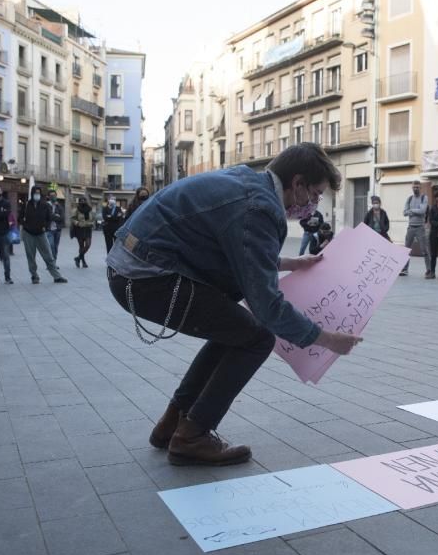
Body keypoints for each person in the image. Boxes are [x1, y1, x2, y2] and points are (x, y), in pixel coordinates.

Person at [107, 142, 363, 466]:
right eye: (314, 194)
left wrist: (289, 263)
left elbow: (237, 247)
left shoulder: (247, 184)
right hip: (146, 275)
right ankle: (192, 435)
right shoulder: (261, 208)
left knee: (235, 330)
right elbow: (268, 307)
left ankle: (173, 423)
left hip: (134, 266)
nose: (313, 205)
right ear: (296, 184)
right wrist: (327, 339)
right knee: (258, 338)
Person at [19, 186, 67, 284]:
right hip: (28, 234)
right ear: (32, 194)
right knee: (31, 256)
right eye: (35, 193)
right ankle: (34, 276)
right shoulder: (27, 204)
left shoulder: (44, 205)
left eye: (39, 193)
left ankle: (57, 276)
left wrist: (45, 226)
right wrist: (25, 225)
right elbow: (19, 218)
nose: (37, 195)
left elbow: (49, 218)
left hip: (41, 233)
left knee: (48, 255)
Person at [401, 181, 430, 277]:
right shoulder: (409, 199)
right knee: (406, 250)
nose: (415, 189)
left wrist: (411, 210)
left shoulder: (424, 198)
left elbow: (422, 211)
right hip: (410, 227)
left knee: (424, 250)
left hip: (420, 227)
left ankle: (429, 270)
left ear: (420, 188)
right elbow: (404, 212)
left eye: (417, 187)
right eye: (414, 187)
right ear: (412, 188)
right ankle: (404, 270)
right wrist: (415, 211)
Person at [71, 197, 94, 267]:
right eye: (81, 201)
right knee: (81, 246)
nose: (83, 202)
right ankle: (83, 262)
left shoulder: (90, 209)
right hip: (79, 229)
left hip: (88, 229)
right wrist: (77, 223)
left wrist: (92, 223)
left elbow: (93, 218)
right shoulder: (76, 210)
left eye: (84, 200)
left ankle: (78, 258)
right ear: (79, 202)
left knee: (88, 245)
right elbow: (72, 218)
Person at [47, 189, 65, 260]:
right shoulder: (46, 205)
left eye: (54, 195)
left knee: (55, 246)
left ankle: (54, 262)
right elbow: (48, 216)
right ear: (48, 197)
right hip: (49, 229)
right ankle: (51, 261)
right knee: (51, 245)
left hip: (57, 230)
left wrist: (53, 216)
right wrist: (55, 216)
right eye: (51, 196)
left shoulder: (59, 206)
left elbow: (62, 217)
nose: (53, 197)